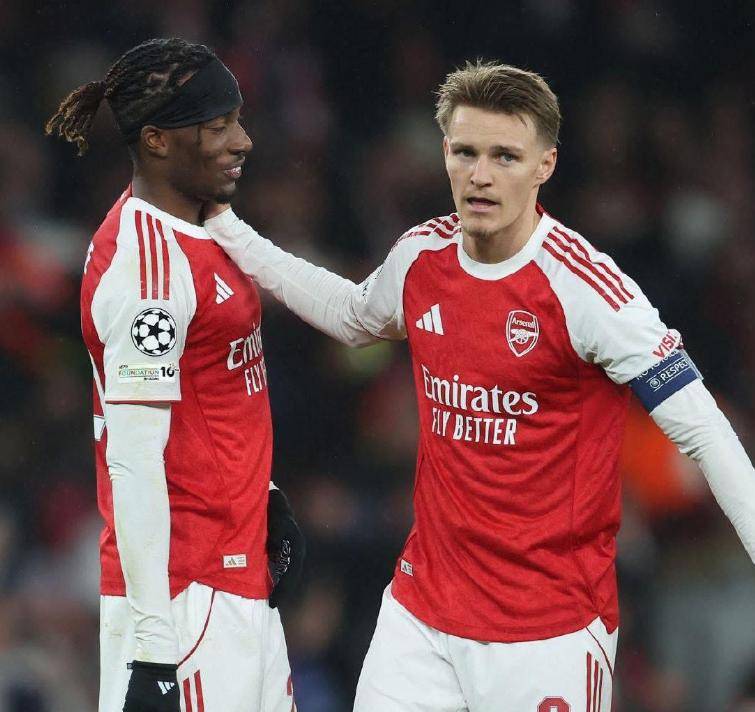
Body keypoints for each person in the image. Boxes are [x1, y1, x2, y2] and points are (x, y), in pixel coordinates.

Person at [203, 60, 755, 711]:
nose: (480, 174)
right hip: (421, 615)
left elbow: (704, 432)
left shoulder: (588, 291)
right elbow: (353, 316)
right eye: (465, 152)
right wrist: (229, 230)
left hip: (546, 630)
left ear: (545, 164)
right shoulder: (421, 256)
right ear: (444, 153)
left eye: (504, 156)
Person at [46, 38, 304, 712]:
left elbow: (210, 396)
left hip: (235, 578)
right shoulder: (146, 274)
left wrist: (261, 495)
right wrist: (155, 649)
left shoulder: (205, 228)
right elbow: (133, 461)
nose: (242, 141)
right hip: (185, 600)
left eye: (238, 120)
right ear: (157, 141)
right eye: (218, 127)